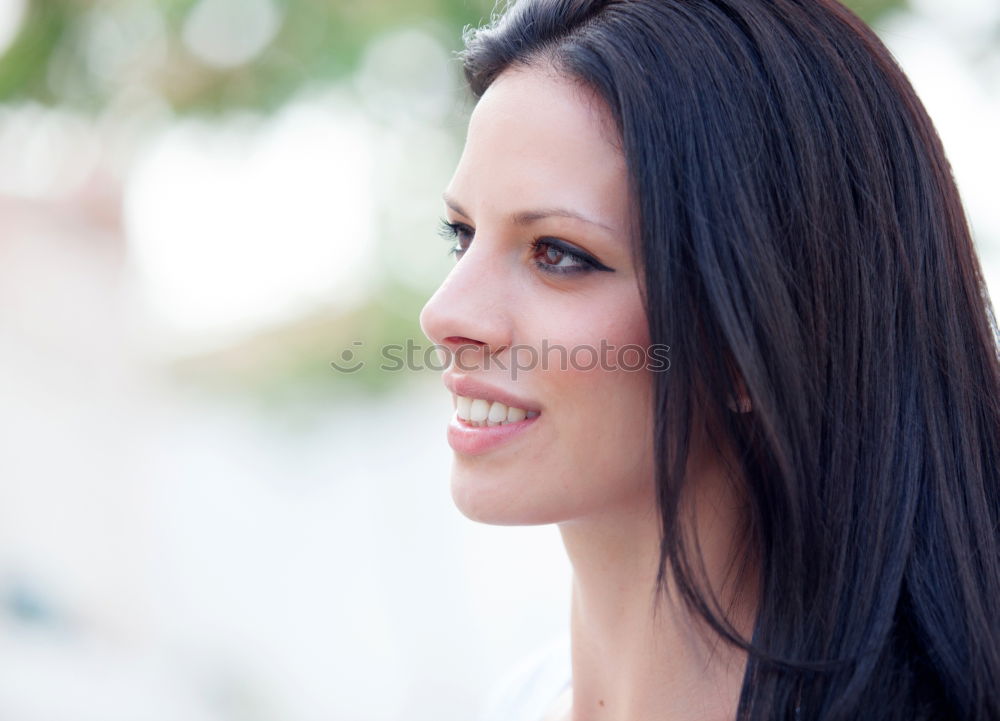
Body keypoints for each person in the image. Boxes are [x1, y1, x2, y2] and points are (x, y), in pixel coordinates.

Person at [418, 0, 1000, 719]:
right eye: (462, 234)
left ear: (758, 327)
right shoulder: (516, 701)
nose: (445, 314)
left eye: (559, 254)